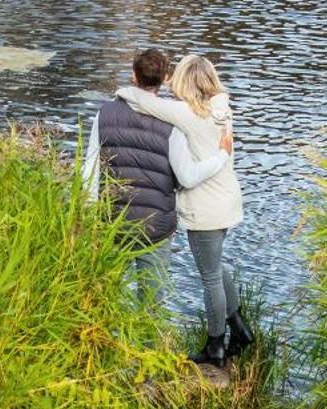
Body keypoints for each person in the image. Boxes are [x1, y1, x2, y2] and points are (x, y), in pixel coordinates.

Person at [80, 48, 231, 331]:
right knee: (151, 303)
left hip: (111, 221)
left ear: (133, 75)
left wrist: (89, 214)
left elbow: (90, 169)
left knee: (105, 293)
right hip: (155, 227)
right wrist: (221, 156)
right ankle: (148, 366)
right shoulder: (172, 122)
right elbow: (186, 176)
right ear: (163, 79)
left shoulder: (105, 113)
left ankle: (104, 352)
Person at [161, 53, 252, 365]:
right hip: (226, 202)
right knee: (216, 266)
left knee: (209, 276)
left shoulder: (186, 121)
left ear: (184, 82)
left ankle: (216, 346)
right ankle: (239, 327)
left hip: (205, 209)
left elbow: (186, 176)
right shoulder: (222, 111)